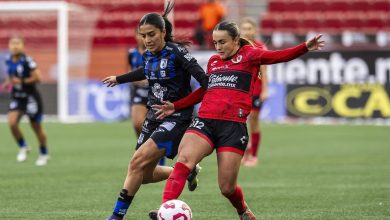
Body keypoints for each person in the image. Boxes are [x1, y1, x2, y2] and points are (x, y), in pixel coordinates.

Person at [151, 21, 324, 219]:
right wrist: (177, 105)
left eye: (222, 42)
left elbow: (278, 56)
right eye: (215, 43)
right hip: (205, 121)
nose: (218, 47)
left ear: (235, 40)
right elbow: (205, 90)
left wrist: (305, 47)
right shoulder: (214, 61)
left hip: (233, 128)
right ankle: (165, 210)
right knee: (184, 160)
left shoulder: (251, 55)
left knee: (226, 188)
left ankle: (243, 210)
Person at [102, 2, 208, 220]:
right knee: (144, 174)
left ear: (163, 32)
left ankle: (115, 216)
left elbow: (206, 83)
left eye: (152, 34)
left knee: (135, 163)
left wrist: (177, 106)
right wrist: (119, 79)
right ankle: (186, 170)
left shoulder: (178, 53)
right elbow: (145, 70)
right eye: (143, 35)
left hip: (176, 118)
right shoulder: (148, 54)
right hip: (154, 116)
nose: (147, 40)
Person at [1, 36, 49, 166]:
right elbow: (11, 76)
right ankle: (23, 146)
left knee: (36, 127)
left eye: (18, 43)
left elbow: (38, 78)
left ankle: (44, 153)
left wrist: (21, 81)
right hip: (17, 96)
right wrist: (7, 83)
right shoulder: (8, 59)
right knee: (11, 122)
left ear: (23, 46)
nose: (15, 46)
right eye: (13, 43)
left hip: (30, 97)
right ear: (9, 46)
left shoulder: (28, 61)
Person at [128, 29, 165, 165]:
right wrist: (136, 80)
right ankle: (146, 148)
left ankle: (157, 154)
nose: (142, 38)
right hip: (139, 92)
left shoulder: (156, 53)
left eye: (145, 35)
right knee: (138, 124)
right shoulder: (132, 53)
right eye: (140, 35)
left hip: (155, 93)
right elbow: (129, 71)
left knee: (155, 126)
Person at [239, 17, 268, 166]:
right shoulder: (238, 47)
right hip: (241, 91)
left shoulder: (260, 48)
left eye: (249, 28)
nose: (246, 31)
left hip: (256, 90)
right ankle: (244, 151)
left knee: (254, 122)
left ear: (255, 30)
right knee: (239, 123)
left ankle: (254, 155)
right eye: (244, 28)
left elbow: (264, 71)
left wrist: (265, 90)